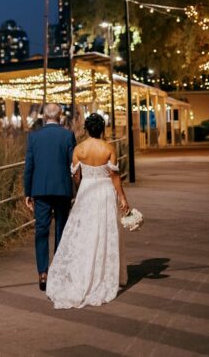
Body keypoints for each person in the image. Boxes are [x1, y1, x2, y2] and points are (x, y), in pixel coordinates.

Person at [46, 113, 129, 309]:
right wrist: (123, 197)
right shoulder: (108, 148)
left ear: (86, 129)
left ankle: (81, 271)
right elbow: (115, 175)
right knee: (104, 231)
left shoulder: (79, 149)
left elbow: (75, 175)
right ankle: (101, 273)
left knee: (84, 232)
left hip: (87, 190)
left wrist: (81, 186)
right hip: (105, 191)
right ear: (102, 129)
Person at [24, 103, 76, 291]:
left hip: (40, 189)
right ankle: (59, 270)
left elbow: (29, 166)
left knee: (41, 230)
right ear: (60, 117)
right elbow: (73, 165)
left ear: (44, 117)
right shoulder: (68, 136)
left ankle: (43, 273)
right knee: (61, 229)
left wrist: (27, 192)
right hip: (62, 189)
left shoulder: (34, 137)